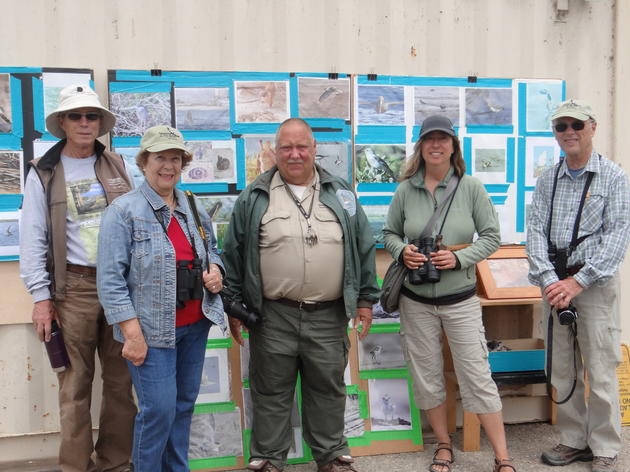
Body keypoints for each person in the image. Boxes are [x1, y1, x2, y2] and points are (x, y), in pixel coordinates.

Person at [222, 118, 380, 472]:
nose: (294, 155)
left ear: (313, 149)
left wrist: (366, 299)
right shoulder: (255, 196)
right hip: (273, 314)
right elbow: (232, 252)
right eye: (286, 148)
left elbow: (363, 246)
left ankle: (332, 456)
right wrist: (233, 306)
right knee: (270, 390)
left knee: (327, 388)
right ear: (275, 152)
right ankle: (268, 458)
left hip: (329, 314)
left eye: (301, 147)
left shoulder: (341, 194)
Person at [383, 115, 516, 472]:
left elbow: (490, 238)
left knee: (476, 375)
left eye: (444, 139)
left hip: (461, 300)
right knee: (427, 376)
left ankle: (502, 457)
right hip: (416, 302)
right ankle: (443, 444)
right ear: (421, 147)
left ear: (454, 146)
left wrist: (457, 258)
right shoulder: (405, 190)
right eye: (430, 139)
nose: (436, 145)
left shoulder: (471, 187)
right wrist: (402, 252)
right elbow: (389, 233)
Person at [19, 84, 136, 472]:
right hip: (74, 290)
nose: (85, 123)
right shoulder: (44, 173)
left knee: (121, 385)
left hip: (120, 286)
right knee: (75, 387)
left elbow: (139, 223)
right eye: (76, 116)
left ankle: (115, 462)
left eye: (91, 116)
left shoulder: (118, 165)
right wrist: (40, 297)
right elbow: (33, 237)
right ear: (63, 123)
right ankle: (74, 466)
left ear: (100, 122)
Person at [96, 126, 225, 471]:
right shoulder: (124, 211)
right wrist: (132, 334)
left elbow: (212, 250)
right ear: (143, 162)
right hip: (150, 333)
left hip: (194, 325)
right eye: (160, 158)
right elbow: (109, 280)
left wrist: (216, 270)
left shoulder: (193, 206)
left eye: (175, 158)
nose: (168, 166)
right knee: (158, 411)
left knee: (183, 407)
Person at [527, 100, 630, 472]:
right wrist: (551, 280)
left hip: (594, 285)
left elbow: (617, 237)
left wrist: (578, 281)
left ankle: (604, 446)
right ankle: (573, 440)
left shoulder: (614, 177)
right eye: (560, 126)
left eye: (576, 124)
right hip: (554, 285)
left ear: (592, 127)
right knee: (562, 368)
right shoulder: (547, 178)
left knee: (601, 367)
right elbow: (535, 230)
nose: (568, 131)